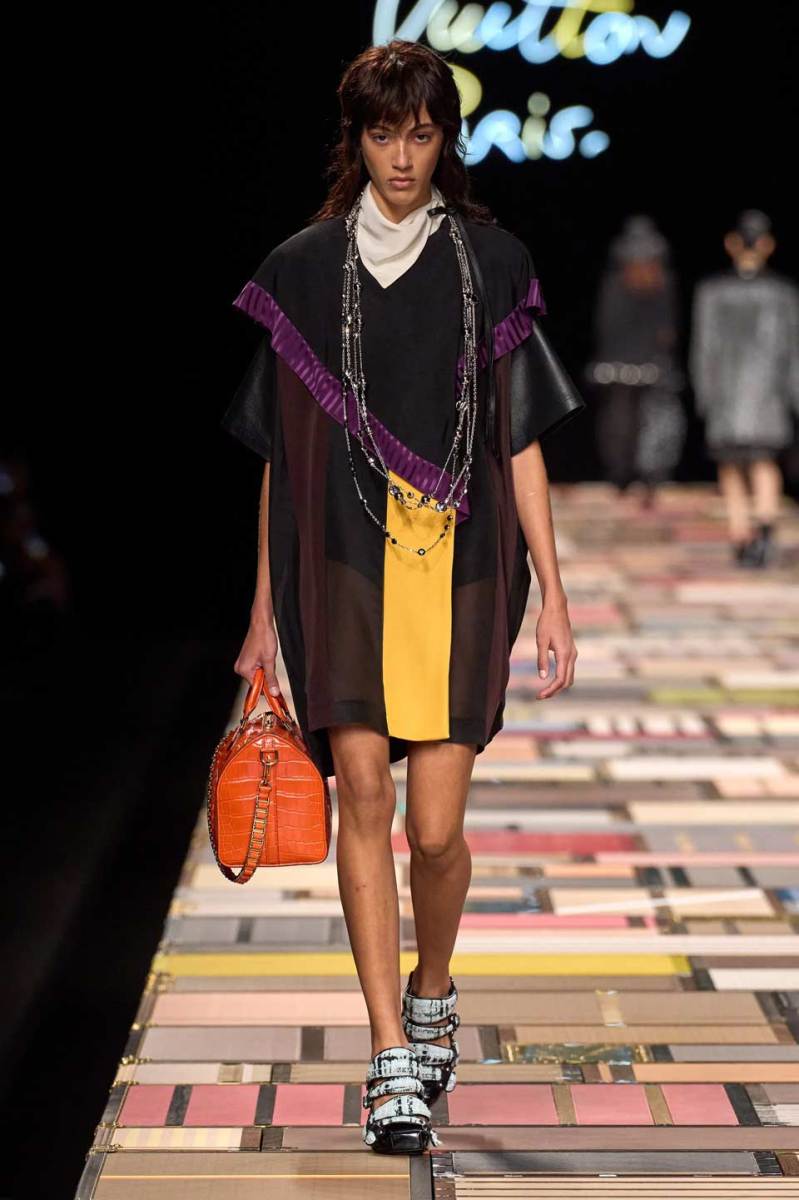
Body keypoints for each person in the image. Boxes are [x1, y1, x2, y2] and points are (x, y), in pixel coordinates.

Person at [220, 39, 586, 1154]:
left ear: (444, 140)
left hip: (463, 562)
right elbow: (282, 458)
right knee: (366, 798)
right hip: (340, 560)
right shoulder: (302, 269)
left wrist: (555, 595)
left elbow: (519, 440)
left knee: (435, 832)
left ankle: (432, 989)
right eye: (383, 134)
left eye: (420, 135)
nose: (401, 157)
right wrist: (260, 616)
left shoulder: (493, 261)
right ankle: (389, 1054)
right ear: (357, 139)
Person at [689, 209, 799, 567]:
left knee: (733, 465)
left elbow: (703, 348)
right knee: (762, 461)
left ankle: (742, 535)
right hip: (767, 394)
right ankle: (762, 530)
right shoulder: (783, 293)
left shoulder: (713, 292)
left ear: (732, 243)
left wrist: (704, 394)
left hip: (729, 393)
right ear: (767, 244)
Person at [588, 214, 686, 507]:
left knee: (621, 419)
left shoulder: (619, 282)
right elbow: (667, 327)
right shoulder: (660, 281)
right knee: (651, 418)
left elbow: (605, 324)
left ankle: (622, 474)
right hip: (648, 357)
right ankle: (649, 474)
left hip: (620, 359)